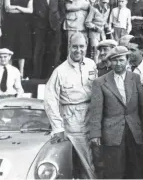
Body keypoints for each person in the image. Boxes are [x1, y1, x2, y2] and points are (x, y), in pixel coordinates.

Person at [88, 46, 143, 178]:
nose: (118, 63)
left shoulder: (135, 78)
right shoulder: (100, 82)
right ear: (110, 62)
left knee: (135, 169)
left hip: (134, 131)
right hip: (112, 133)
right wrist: (95, 134)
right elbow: (96, 110)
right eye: (115, 60)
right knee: (114, 170)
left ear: (127, 60)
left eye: (121, 60)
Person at [44, 32, 97, 179]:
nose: (78, 50)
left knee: (95, 160)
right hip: (72, 121)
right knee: (85, 163)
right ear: (69, 47)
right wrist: (58, 128)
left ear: (86, 46)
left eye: (81, 46)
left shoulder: (91, 65)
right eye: (75, 46)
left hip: (91, 118)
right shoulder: (60, 71)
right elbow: (50, 100)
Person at [32, 0, 65, 79]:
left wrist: (59, 20)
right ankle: (37, 76)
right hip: (40, 24)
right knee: (39, 50)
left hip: (54, 24)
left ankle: (53, 76)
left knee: (55, 51)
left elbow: (62, 6)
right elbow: (33, 6)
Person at [3, 0, 33, 78]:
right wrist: (23, 10)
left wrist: (16, 7)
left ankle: (21, 74)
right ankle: (8, 73)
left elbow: (30, 10)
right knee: (10, 47)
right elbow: (7, 8)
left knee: (22, 48)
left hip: (23, 25)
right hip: (10, 24)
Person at [85, 0, 111, 64]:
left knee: (103, 51)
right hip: (94, 34)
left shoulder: (108, 8)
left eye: (105, 2)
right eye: (103, 2)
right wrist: (96, 28)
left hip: (102, 34)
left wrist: (107, 27)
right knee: (95, 52)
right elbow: (87, 22)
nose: (104, 4)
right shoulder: (94, 8)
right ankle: (94, 67)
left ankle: (101, 67)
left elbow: (104, 21)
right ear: (99, 0)